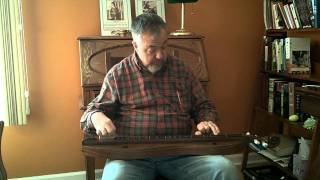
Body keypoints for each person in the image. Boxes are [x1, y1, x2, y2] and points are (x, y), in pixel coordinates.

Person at [80, 13, 240, 180]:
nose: (160, 55)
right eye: (152, 49)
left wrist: (206, 120)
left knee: (226, 170)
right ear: (135, 45)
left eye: (164, 46)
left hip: (181, 153)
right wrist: (97, 117)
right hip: (132, 157)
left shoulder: (182, 70)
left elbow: (203, 105)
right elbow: (90, 112)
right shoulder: (118, 74)